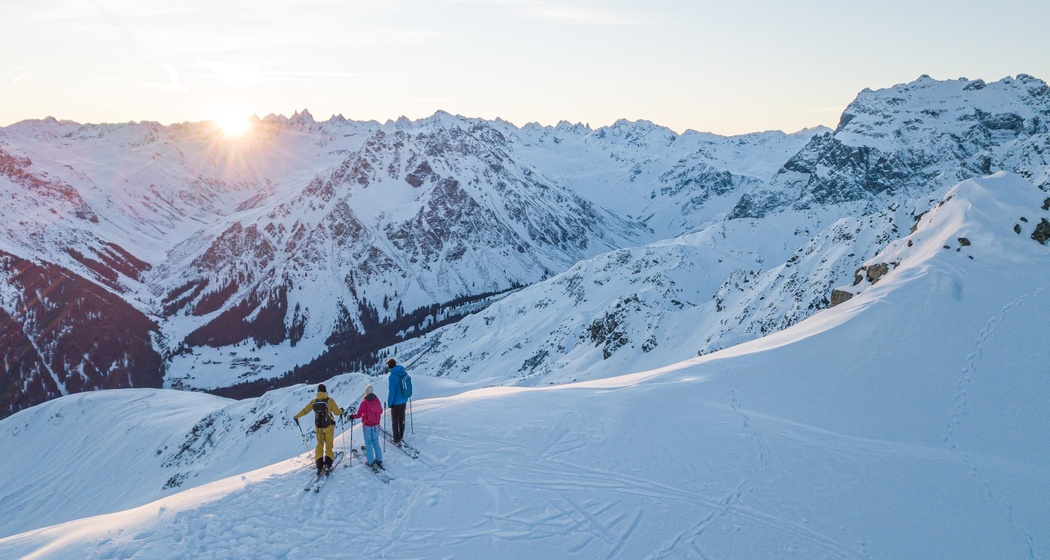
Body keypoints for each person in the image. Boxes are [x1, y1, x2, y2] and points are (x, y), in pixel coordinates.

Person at [293, 383, 343, 476]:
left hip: (318, 428)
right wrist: (341, 411)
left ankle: (319, 466)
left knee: (319, 445)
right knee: (328, 446)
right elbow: (337, 412)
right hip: (328, 427)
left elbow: (305, 410)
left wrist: (296, 416)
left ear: (318, 391)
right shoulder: (330, 401)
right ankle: (328, 464)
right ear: (325, 391)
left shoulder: (314, 401)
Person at [350, 384, 384, 469]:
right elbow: (381, 411)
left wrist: (352, 416)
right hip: (376, 425)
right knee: (375, 442)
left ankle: (370, 461)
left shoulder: (365, 402)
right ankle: (379, 459)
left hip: (367, 425)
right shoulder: (377, 401)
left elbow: (359, 414)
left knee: (368, 443)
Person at [386, 358, 409, 444]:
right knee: (402, 418)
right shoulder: (403, 372)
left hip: (396, 402)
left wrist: (390, 403)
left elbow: (392, 391)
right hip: (404, 399)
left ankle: (396, 438)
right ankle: (401, 435)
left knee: (395, 421)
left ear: (389, 366)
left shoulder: (392, 377)